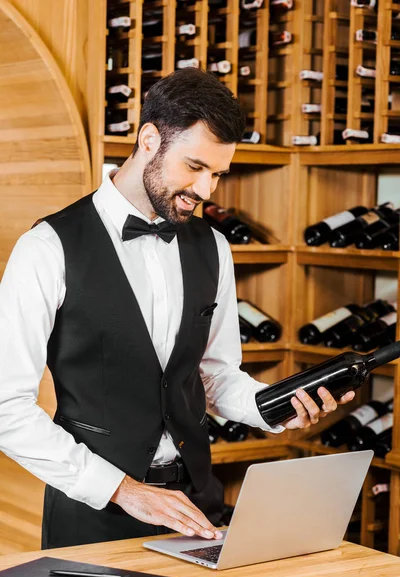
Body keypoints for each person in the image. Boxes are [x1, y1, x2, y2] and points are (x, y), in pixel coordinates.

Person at [0, 68, 355, 550]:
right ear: (149, 139)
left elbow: (213, 375)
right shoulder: (46, 248)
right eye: (194, 167)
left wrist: (273, 409)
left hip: (197, 505)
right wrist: (124, 491)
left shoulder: (214, 247)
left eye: (218, 174)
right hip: (92, 517)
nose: (207, 190)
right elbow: (7, 408)